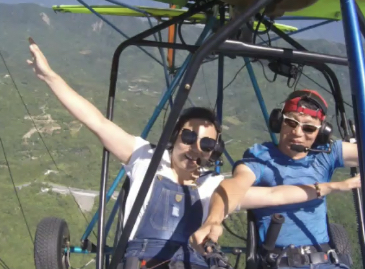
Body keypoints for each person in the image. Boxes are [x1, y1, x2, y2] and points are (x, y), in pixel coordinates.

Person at [27, 41, 359, 269]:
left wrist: (332, 187)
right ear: (174, 138)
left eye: (207, 145)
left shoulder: (212, 186)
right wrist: (50, 77)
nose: (194, 147)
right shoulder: (144, 158)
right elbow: (95, 120)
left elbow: (275, 194)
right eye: (188, 136)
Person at [191, 89, 360, 269]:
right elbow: (234, 184)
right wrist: (213, 220)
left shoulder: (326, 154)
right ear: (279, 122)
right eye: (290, 122)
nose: (297, 132)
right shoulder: (262, 158)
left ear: (321, 132)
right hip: (281, 262)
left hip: (329, 263)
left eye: (308, 128)